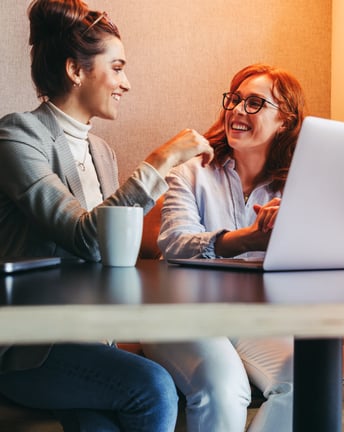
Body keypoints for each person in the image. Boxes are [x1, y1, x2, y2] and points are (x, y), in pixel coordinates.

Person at [0, 1, 213, 431]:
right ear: (76, 71)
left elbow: (112, 257)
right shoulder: (17, 136)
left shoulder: (103, 153)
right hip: (29, 347)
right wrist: (163, 158)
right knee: (152, 386)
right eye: (116, 68)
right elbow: (85, 237)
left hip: (92, 342)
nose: (126, 83)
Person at [142, 64, 306, 431]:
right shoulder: (190, 171)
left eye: (254, 103)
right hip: (183, 314)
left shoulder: (297, 188)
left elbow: (313, 266)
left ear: (285, 122)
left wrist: (294, 230)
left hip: (257, 320)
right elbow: (175, 244)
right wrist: (246, 239)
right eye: (234, 99)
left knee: (305, 385)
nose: (236, 110)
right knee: (223, 387)